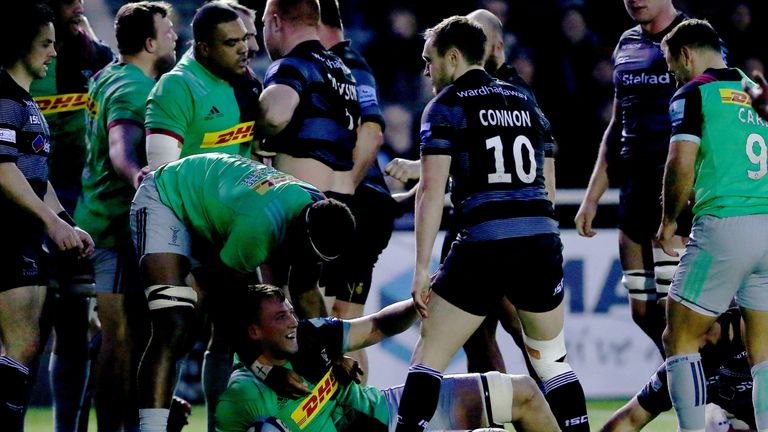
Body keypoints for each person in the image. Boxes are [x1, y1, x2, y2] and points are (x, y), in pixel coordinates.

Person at [393, 16, 588, 432]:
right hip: (540, 241)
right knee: (552, 359)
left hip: (484, 242)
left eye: (429, 60)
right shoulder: (525, 101)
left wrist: (423, 267)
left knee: (430, 354)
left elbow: (430, 191)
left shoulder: (446, 106)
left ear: (453, 56)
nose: (427, 70)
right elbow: (546, 181)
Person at [129, 153, 355, 432]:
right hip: (167, 197)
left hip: (217, 211)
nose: (310, 259)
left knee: (227, 336)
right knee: (174, 325)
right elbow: (227, 304)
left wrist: (332, 354)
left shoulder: (316, 210)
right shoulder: (259, 226)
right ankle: (150, 429)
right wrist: (265, 369)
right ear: (300, 233)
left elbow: (305, 289)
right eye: (309, 253)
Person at [214, 285, 559, 432]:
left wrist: (421, 299)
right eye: (280, 318)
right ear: (253, 332)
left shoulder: (310, 334)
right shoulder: (242, 396)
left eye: (290, 312)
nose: (293, 323)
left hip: (388, 412)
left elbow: (377, 325)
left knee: (524, 393)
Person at [656, 18, 768, 432]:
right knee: (764, 352)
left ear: (686, 54)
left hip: (725, 223)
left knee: (678, 336)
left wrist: (668, 222)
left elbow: (680, 161)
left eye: (673, 68)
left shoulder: (695, 92)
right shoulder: (757, 91)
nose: (674, 77)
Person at [72, 3, 177, 430]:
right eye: (168, 31)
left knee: (118, 338)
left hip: (92, 216)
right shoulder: (135, 89)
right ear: (150, 43)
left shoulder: (107, 75)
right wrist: (139, 175)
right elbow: (121, 147)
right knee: (121, 340)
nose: (175, 37)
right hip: (114, 229)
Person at [574, 0, 688, 353]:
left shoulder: (694, 36)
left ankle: (713, 388)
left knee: (678, 314)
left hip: (677, 191)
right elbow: (617, 122)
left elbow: (717, 107)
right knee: (642, 311)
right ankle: (700, 380)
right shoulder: (626, 44)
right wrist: (592, 196)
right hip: (633, 192)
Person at [0, 3, 94, 429]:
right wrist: (50, 222)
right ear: (21, 46)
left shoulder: (26, 101)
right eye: (45, 44)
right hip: (7, 236)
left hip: (23, 235)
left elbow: (37, 177)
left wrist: (64, 220)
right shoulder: (4, 98)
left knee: (22, 352)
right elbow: (2, 169)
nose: (54, 53)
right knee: (18, 352)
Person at [29, 2, 113, 430]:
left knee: (73, 323)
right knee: (30, 325)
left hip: (79, 207)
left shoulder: (96, 57)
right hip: (22, 205)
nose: (78, 4)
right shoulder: (18, 58)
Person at [315, 0, 397, 382]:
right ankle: (362, 415)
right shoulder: (341, 64)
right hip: (368, 205)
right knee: (347, 324)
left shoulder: (345, 63)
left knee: (328, 320)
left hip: (354, 205)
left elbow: (373, 130)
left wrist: (344, 190)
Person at [258, 0, 362, 293]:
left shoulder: (292, 65)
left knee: (277, 298)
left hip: (300, 204)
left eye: (264, 24)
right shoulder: (342, 70)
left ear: (276, 22)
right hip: (342, 204)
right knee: (313, 301)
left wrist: (252, 126)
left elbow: (274, 115)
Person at [600, 307, 755, 431]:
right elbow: (630, 419)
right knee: (707, 422)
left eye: (698, 328)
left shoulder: (758, 337)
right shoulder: (687, 361)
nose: (687, 339)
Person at [144, 2, 258, 170]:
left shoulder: (247, 81)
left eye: (244, 39)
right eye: (231, 43)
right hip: (195, 195)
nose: (244, 48)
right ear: (204, 49)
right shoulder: (176, 87)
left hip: (239, 194)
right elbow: (162, 174)